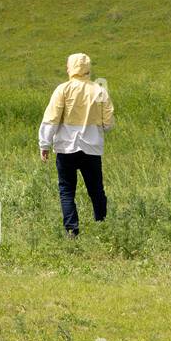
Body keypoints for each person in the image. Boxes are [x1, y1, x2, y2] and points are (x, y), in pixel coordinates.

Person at [38, 53, 114, 237]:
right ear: (88, 68)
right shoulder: (99, 90)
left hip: (66, 147)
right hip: (92, 147)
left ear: (71, 68)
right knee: (96, 190)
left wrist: (45, 144)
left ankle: (72, 230)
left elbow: (51, 118)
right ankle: (102, 226)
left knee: (66, 190)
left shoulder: (62, 89)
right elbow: (109, 124)